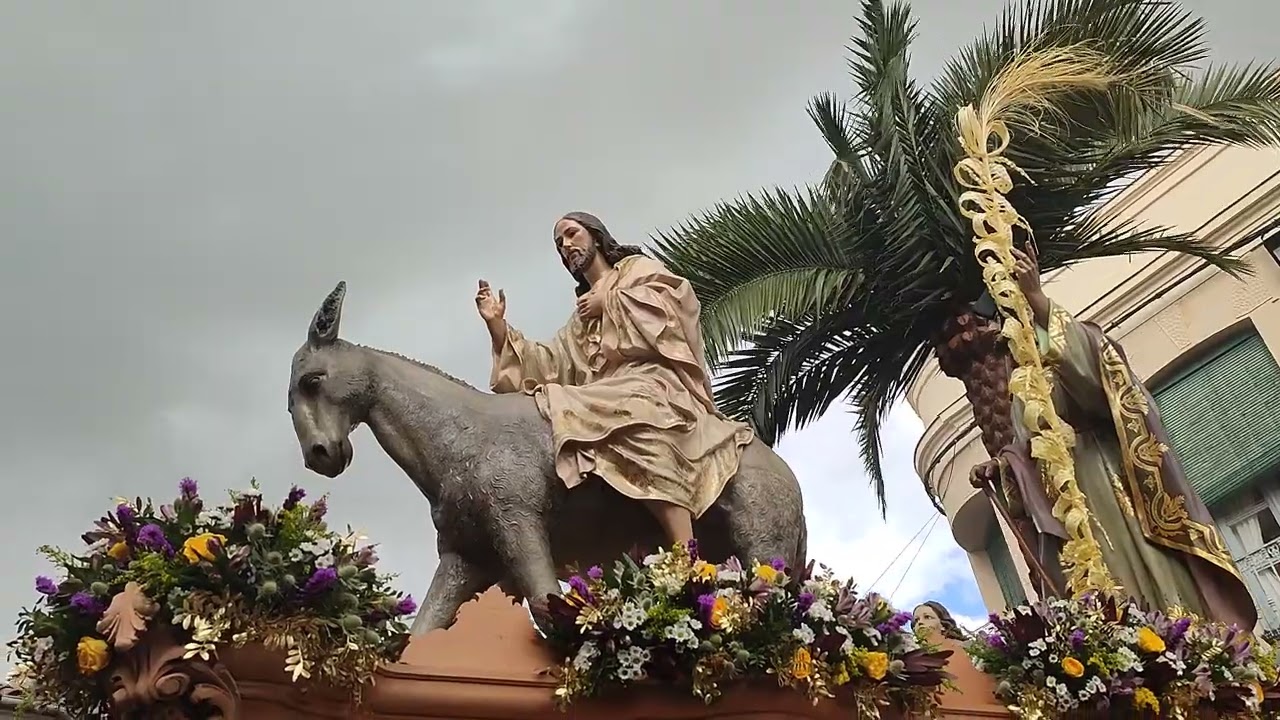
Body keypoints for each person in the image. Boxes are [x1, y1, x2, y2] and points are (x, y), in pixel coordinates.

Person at [970, 243, 1256, 630]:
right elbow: (1029, 445)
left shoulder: (1079, 338)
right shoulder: (1020, 381)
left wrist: (1037, 299)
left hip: (1108, 475)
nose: (1001, 328)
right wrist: (1003, 466)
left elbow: (1100, 386)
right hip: (1068, 500)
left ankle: (1178, 637)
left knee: (1138, 565)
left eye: (1006, 313)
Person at [474, 211, 754, 547]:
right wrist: (498, 326)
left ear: (596, 235)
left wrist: (610, 300)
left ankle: (684, 547)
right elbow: (551, 362)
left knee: (636, 414)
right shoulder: (582, 315)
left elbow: (674, 306)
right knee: (554, 401)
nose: (566, 246)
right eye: (559, 244)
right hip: (609, 390)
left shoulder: (637, 270)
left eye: (572, 234)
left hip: (654, 380)